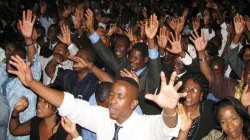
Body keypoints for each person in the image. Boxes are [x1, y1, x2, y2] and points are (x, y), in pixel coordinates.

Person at [8, 55, 188, 140]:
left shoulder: (144, 126)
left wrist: (170, 109)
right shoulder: (102, 118)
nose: (113, 100)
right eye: (111, 95)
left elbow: (166, 127)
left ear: (134, 103)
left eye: (120, 96)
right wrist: (31, 83)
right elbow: (69, 104)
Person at [85, 9, 161, 114]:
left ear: (145, 60)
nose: (131, 60)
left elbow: (155, 66)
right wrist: (91, 29)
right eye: (131, 56)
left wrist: (151, 40)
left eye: (136, 58)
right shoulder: (125, 66)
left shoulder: (150, 77)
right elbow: (107, 56)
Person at [177, 73, 216, 140]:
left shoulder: (209, 110)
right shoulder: (173, 108)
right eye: (186, 89)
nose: (188, 92)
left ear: (201, 95)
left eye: (193, 90)